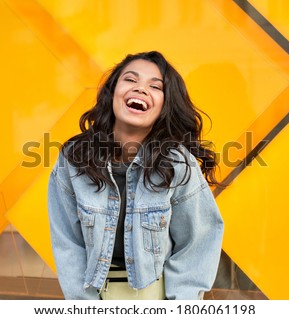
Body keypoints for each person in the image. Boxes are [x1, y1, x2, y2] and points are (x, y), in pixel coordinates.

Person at [47, 51, 224, 300]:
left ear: (165, 104)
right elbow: (68, 244)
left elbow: (197, 243)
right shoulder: (73, 160)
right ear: (113, 92)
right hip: (92, 298)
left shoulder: (177, 163)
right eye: (130, 80)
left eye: (155, 86)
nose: (141, 89)